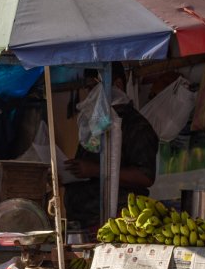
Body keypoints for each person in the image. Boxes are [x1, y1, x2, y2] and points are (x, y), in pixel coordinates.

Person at [64, 64, 158, 231]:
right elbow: (85, 164)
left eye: (94, 88)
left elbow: (146, 176)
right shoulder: (97, 124)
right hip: (82, 221)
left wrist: (96, 170)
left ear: (118, 85)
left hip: (119, 224)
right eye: (88, 89)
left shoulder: (137, 127)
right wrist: (68, 173)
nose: (90, 96)